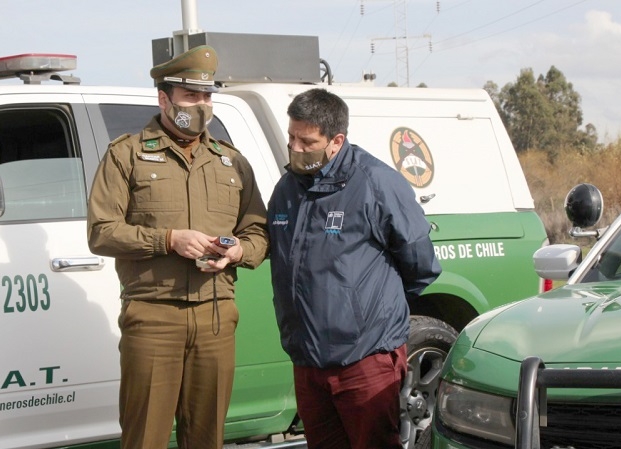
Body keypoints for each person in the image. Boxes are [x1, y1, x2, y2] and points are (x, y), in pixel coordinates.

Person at [87, 45, 269, 449]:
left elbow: (259, 232)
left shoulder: (232, 163)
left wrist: (237, 251)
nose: (202, 105)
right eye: (192, 96)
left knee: (207, 438)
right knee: (145, 437)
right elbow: (102, 231)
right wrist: (168, 240)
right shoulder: (126, 155)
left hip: (216, 316)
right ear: (164, 99)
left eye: (207, 97)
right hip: (153, 316)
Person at [267, 88, 441, 449]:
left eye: (307, 140)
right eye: (291, 137)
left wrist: (370, 308)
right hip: (308, 362)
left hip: (365, 361)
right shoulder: (286, 190)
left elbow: (420, 264)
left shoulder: (375, 183)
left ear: (336, 140)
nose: (296, 148)